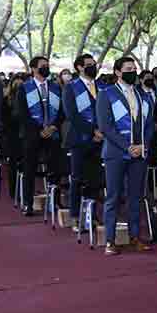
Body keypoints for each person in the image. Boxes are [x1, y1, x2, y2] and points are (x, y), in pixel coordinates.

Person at [95, 56, 154, 255]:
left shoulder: (143, 95)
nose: (133, 71)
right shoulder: (107, 94)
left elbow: (150, 124)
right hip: (115, 153)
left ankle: (135, 236)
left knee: (135, 197)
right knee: (112, 197)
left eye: (134, 68)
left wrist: (142, 145)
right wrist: (127, 147)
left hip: (139, 153)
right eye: (128, 68)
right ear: (118, 72)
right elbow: (105, 127)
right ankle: (110, 240)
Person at [13, 55, 66, 216]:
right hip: (32, 136)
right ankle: (28, 203)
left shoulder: (56, 87)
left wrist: (53, 127)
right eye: (43, 65)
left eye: (48, 65)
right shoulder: (24, 88)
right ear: (34, 69)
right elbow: (21, 113)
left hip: (53, 135)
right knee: (30, 170)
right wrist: (39, 130)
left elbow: (62, 111)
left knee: (55, 169)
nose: (46, 68)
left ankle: (55, 202)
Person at [61, 54, 103, 228]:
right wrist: (92, 131)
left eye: (94, 64)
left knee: (95, 180)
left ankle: (91, 216)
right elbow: (72, 115)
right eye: (88, 64)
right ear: (79, 67)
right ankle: (76, 216)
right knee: (77, 179)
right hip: (79, 139)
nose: (92, 66)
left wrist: (102, 132)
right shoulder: (71, 88)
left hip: (100, 140)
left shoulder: (102, 86)